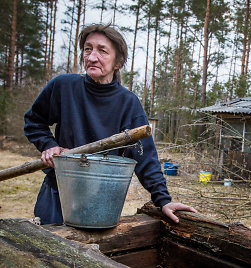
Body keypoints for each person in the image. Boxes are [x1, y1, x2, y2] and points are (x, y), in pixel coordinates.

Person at [24, 24, 196, 225]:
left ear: (118, 62)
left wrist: (163, 200)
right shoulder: (64, 87)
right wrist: (49, 145)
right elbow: (34, 121)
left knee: (91, 254)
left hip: (100, 202)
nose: (91, 57)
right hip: (58, 193)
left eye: (102, 51)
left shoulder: (128, 103)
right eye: (88, 49)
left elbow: (146, 157)